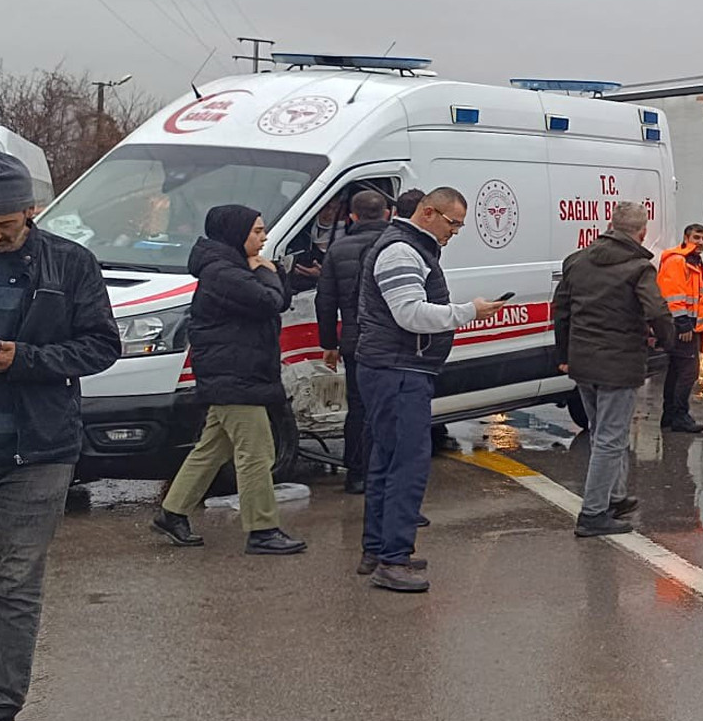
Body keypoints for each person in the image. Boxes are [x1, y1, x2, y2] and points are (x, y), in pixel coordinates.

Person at [0, 147, 120, 721]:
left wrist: (25, 358)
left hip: (40, 450)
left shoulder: (71, 263)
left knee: (16, 582)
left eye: (4, 224)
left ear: (31, 210)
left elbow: (101, 346)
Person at [357, 188, 503, 592]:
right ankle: (393, 559)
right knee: (407, 464)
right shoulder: (402, 251)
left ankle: (378, 549)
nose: (454, 233)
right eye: (452, 223)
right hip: (399, 370)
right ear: (427, 212)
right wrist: (469, 312)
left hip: (393, 367)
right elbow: (410, 314)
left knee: (387, 461)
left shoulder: (405, 248)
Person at [153, 206, 307, 556]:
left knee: (213, 447)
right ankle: (262, 529)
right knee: (257, 453)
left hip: (238, 373)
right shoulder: (223, 272)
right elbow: (268, 301)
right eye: (256, 231)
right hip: (236, 375)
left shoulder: (236, 267)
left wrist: (273, 271)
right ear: (235, 233)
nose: (263, 237)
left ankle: (172, 511)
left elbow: (277, 301)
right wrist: (268, 272)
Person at [553, 203, 676, 538]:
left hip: (583, 362)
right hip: (619, 364)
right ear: (642, 232)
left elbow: (561, 310)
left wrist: (563, 354)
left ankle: (615, 496)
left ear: (609, 225)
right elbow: (658, 310)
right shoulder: (638, 268)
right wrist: (669, 343)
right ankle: (593, 513)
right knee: (609, 438)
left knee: (603, 432)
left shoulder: (576, 261)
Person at [316, 190, 391, 495]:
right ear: (387, 214)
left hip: (354, 340)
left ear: (352, 217)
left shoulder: (338, 249)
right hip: (391, 341)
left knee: (359, 408)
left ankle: (357, 474)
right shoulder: (397, 245)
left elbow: (325, 301)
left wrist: (329, 343)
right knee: (390, 406)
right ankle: (385, 472)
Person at [656, 224, 703, 434]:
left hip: (687, 326)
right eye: (696, 237)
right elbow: (672, 295)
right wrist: (682, 323)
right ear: (685, 237)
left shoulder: (693, 261)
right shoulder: (677, 260)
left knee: (676, 371)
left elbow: (700, 275)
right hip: (682, 327)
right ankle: (679, 416)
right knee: (688, 373)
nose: (700, 242)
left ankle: (670, 416)